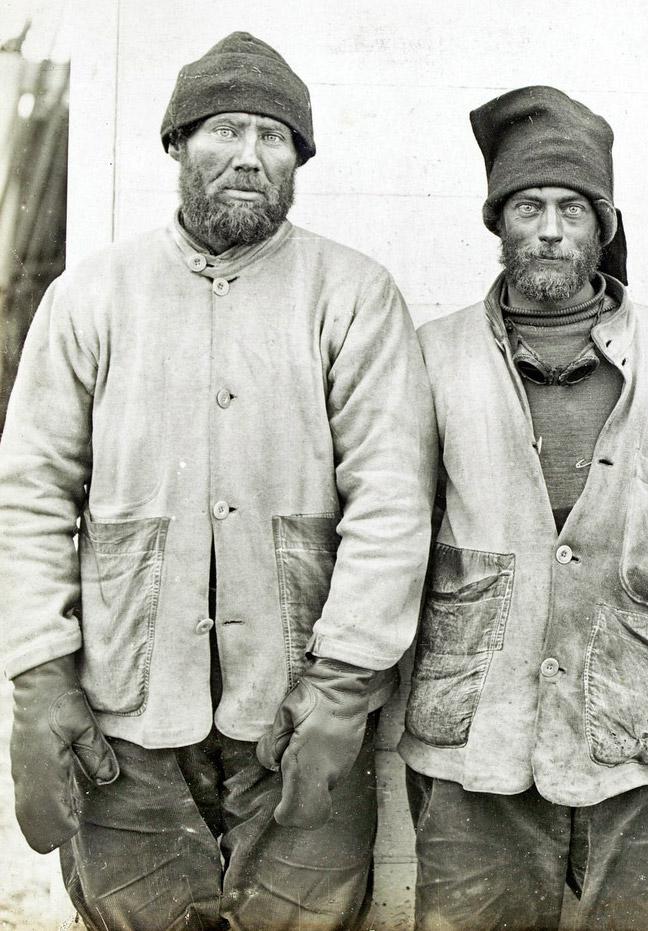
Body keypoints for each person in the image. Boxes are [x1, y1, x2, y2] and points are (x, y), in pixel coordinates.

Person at [0, 32, 436, 930]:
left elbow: (392, 502)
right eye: (224, 130)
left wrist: (342, 687)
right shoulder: (90, 298)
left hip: (295, 708)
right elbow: (31, 494)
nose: (249, 155)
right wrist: (41, 676)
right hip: (124, 710)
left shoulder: (353, 296)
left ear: (299, 161)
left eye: (274, 138)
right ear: (175, 145)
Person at [401, 85, 648, 930]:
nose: (548, 227)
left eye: (572, 208)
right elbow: (393, 531)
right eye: (527, 206)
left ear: (602, 226)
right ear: (498, 221)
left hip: (634, 723)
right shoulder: (435, 355)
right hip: (477, 726)